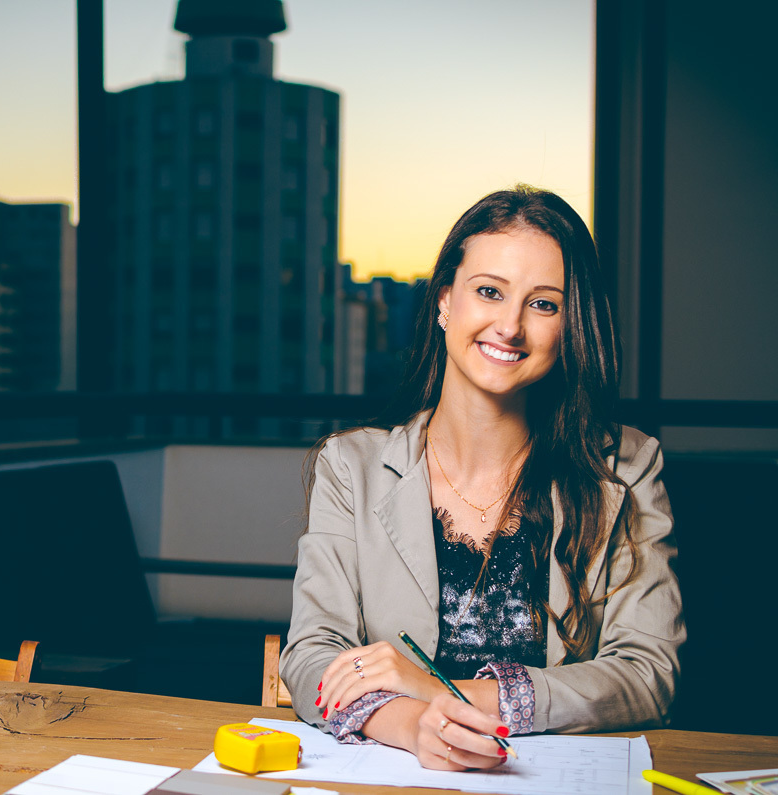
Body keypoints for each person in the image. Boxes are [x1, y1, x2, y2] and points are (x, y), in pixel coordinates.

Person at [279, 185, 684, 771]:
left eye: (543, 304)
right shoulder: (351, 466)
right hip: (397, 776)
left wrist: (443, 693)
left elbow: (647, 673)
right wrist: (415, 724)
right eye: (489, 292)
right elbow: (313, 653)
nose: (510, 326)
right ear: (445, 301)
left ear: (569, 327)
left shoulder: (625, 465)